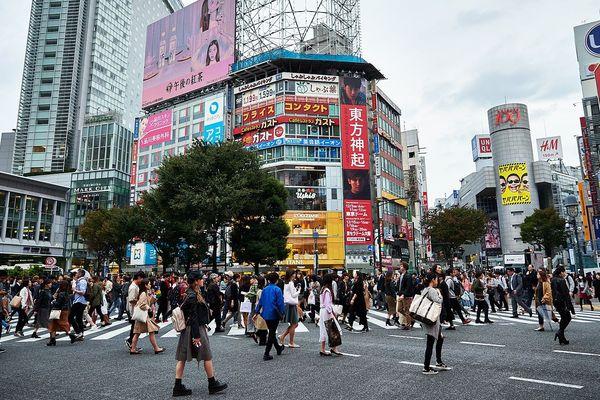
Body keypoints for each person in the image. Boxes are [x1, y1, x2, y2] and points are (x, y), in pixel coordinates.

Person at [173, 271, 227, 397]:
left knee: (182, 357)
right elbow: (193, 317)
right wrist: (196, 336)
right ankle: (212, 383)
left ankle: (177, 386)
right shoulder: (192, 295)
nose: (203, 280)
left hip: (189, 329)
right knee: (207, 355)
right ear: (196, 281)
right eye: (201, 279)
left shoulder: (191, 293)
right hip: (195, 329)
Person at [421, 272, 451, 375]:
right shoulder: (432, 290)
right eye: (436, 279)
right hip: (432, 320)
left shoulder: (425, 290)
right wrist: (439, 293)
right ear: (433, 280)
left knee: (440, 338)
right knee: (430, 343)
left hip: (429, 319)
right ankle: (426, 367)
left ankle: (438, 362)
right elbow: (439, 301)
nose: (437, 281)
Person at [254, 272, 285, 361]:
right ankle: (266, 353)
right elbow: (280, 303)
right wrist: (282, 313)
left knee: (271, 331)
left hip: (266, 313)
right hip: (274, 313)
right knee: (271, 333)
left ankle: (278, 348)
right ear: (277, 280)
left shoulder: (265, 289)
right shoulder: (277, 289)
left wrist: (256, 312)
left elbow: (260, 302)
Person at [130, 279, 164, 355]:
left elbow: (146, 302)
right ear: (145, 285)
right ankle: (156, 348)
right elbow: (142, 305)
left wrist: (153, 298)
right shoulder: (143, 293)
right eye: (149, 284)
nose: (150, 285)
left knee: (138, 333)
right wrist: (149, 308)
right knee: (149, 332)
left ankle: (133, 349)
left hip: (143, 316)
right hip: (143, 316)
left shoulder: (145, 293)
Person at [319, 274, 342, 356]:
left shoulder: (322, 289)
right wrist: (332, 313)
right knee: (333, 329)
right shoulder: (327, 291)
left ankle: (322, 349)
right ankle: (334, 348)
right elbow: (328, 304)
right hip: (326, 311)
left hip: (322, 311)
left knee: (324, 330)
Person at [551, 266, 575, 345]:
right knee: (567, 317)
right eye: (564, 272)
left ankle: (562, 337)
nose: (565, 273)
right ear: (561, 272)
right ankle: (560, 332)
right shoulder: (561, 280)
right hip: (562, 302)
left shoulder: (553, 279)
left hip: (556, 302)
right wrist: (570, 307)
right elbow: (566, 294)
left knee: (564, 317)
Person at [47, 280, 73, 346]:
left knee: (62, 323)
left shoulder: (61, 293)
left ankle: (72, 335)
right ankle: (52, 339)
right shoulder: (66, 292)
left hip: (60, 310)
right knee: (54, 324)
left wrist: (52, 302)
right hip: (65, 310)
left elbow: (58, 303)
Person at [279, 270, 300, 348]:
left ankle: (283, 336)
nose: (295, 275)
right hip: (291, 305)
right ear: (292, 275)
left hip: (288, 304)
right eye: (294, 273)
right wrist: (299, 290)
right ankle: (291, 342)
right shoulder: (290, 283)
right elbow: (294, 295)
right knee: (294, 323)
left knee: (294, 324)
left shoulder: (286, 282)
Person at [126, 272, 144, 351]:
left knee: (134, 327)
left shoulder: (135, 286)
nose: (142, 280)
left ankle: (131, 343)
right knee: (134, 328)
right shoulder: (133, 287)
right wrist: (140, 301)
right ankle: (130, 342)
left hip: (135, 310)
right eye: (142, 278)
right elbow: (131, 300)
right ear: (139, 277)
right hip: (133, 310)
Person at [69, 270, 88, 340]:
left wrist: (74, 290)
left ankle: (78, 332)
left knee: (70, 317)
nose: (76, 274)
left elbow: (83, 292)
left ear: (80, 274)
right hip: (80, 301)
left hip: (79, 301)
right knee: (78, 318)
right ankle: (81, 334)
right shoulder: (79, 281)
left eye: (77, 273)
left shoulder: (82, 281)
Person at [397, 263, 416, 329]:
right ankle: (412, 319)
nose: (400, 267)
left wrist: (404, 294)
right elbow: (400, 286)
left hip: (406, 296)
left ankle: (408, 325)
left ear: (404, 267)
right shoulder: (401, 275)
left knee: (407, 310)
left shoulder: (408, 276)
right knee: (399, 309)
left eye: (401, 266)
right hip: (400, 295)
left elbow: (408, 287)